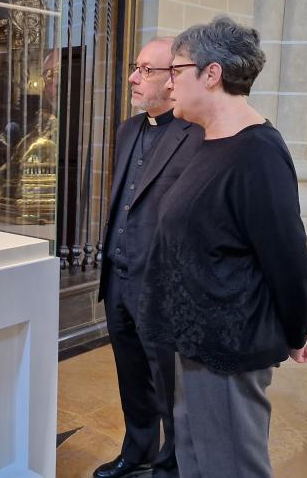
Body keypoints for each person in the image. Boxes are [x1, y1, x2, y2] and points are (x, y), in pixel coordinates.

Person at [139, 16, 307, 477]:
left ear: (212, 73)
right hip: (196, 337)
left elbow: (288, 258)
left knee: (232, 465)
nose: (170, 84)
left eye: (176, 71)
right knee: (198, 459)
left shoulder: (257, 151)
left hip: (229, 344)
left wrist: (296, 332)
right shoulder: (209, 140)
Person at [94, 37, 204, 478]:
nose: (134, 78)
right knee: (131, 376)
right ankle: (136, 449)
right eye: (135, 68)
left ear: (173, 80)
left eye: (146, 70)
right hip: (118, 276)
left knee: (168, 383)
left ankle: (170, 465)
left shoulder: (195, 135)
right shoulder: (127, 129)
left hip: (159, 283)